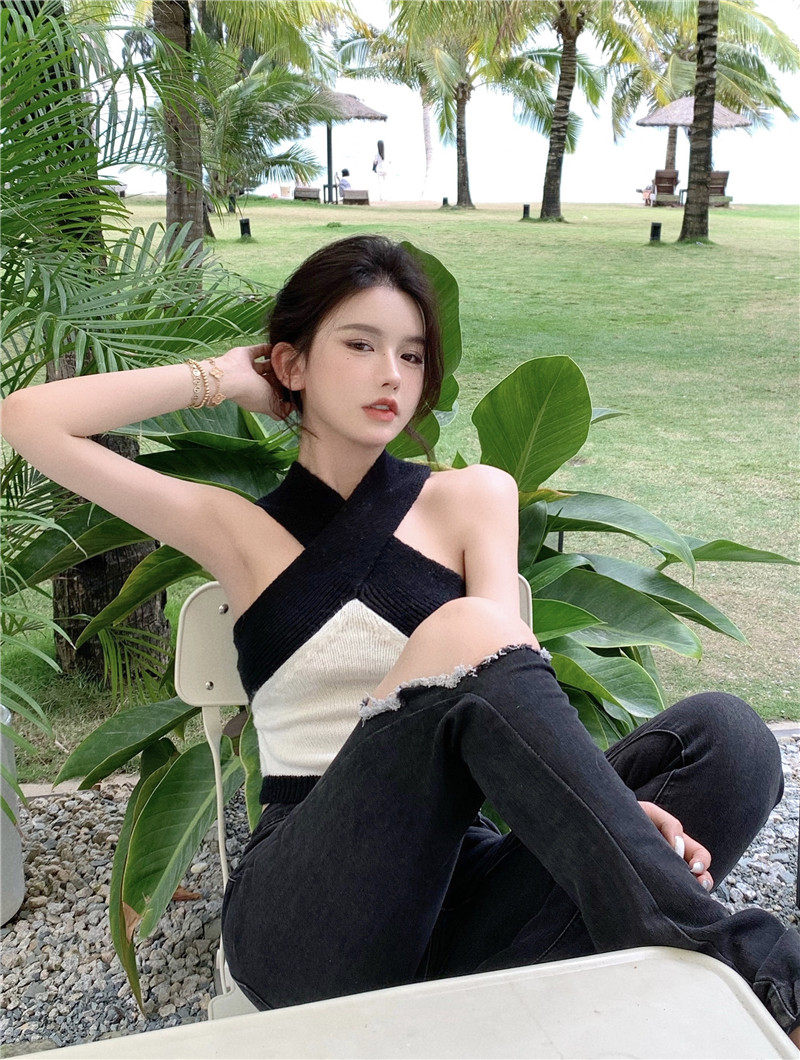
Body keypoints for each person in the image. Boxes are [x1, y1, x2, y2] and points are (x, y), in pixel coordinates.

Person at [1, 235, 799, 1048]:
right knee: (467, 630)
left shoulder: (474, 498)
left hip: (462, 893)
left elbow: (520, 702)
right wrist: (228, 376)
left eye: (412, 354)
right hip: (312, 921)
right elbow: (29, 419)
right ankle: (757, 973)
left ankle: (533, 985)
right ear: (292, 363)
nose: (392, 374)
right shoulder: (236, 530)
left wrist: (612, 815)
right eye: (360, 345)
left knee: (729, 741)